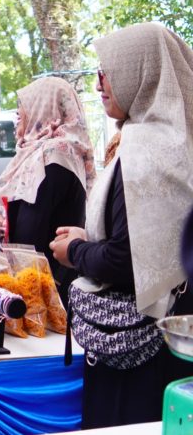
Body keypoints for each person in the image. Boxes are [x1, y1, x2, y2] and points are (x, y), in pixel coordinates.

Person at [50, 23, 193, 429]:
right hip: (173, 338)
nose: (99, 85)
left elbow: (127, 262)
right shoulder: (179, 141)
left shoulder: (144, 154)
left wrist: (75, 252)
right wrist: (89, 237)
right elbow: (153, 244)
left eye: (108, 72)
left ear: (142, 74)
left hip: (138, 354)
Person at [0, 77, 96, 306]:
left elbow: (31, 230)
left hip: (44, 286)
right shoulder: (41, 152)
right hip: (42, 279)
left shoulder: (55, 154)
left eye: (24, 105)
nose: (19, 113)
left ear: (44, 106)